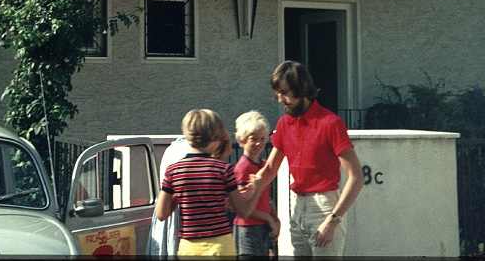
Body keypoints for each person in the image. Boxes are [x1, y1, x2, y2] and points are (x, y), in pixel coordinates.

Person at [259, 60, 365, 257]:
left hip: (325, 206)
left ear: (303, 88)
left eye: (285, 93)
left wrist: (333, 220)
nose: (280, 99)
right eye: (278, 93)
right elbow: (269, 170)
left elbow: (357, 177)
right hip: (297, 207)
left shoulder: (330, 123)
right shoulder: (284, 124)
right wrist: (246, 197)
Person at [155, 109, 267, 257]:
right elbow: (244, 212)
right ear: (216, 137)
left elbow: (161, 214)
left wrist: (182, 193)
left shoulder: (173, 170)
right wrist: (258, 188)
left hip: (189, 248)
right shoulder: (223, 170)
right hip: (220, 245)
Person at [232, 110, 280, 257]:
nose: (259, 143)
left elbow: (266, 197)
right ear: (242, 139)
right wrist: (269, 219)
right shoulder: (243, 167)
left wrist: (276, 219)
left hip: (262, 227)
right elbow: (241, 204)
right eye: (253, 139)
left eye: (262, 138)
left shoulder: (264, 165)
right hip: (247, 228)